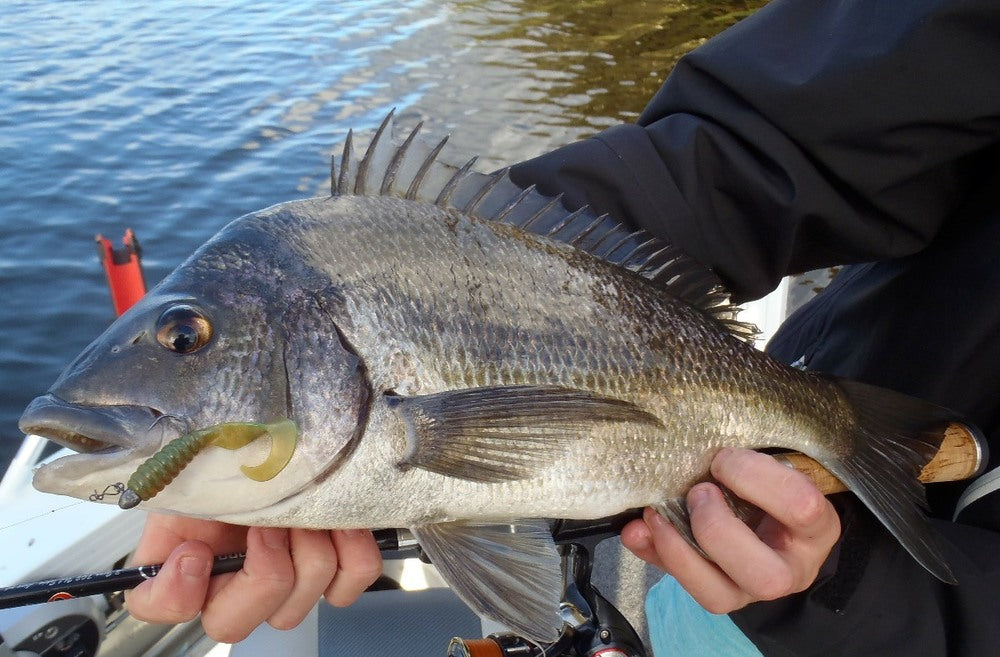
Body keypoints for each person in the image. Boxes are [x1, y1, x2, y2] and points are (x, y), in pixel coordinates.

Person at [125, 0, 1000, 653]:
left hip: (857, 604)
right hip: (759, 543)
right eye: (185, 338)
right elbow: (760, 148)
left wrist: (848, 590)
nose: (179, 350)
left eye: (185, 339)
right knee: (682, 620)